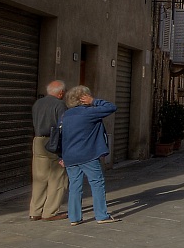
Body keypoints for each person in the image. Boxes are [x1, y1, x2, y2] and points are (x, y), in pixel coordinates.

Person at [57, 85, 119, 224]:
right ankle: (102, 215)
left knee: (74, 186)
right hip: (88, 155)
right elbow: (111, 107)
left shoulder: (65, 116)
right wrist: (94, 101)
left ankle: (74, 218)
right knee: (97, 183)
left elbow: (61, 138)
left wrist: (61, 156)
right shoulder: (89, 112)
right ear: (84, 98)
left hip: (70, 156)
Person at [29, 80, 68, 221]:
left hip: (38, 140)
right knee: (57, 178)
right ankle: (50, 212)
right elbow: (64, 126)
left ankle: (35, 211)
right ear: (61, 92)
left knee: (39, 177)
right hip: (53, 142)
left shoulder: (37, 103)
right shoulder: (60, 105)